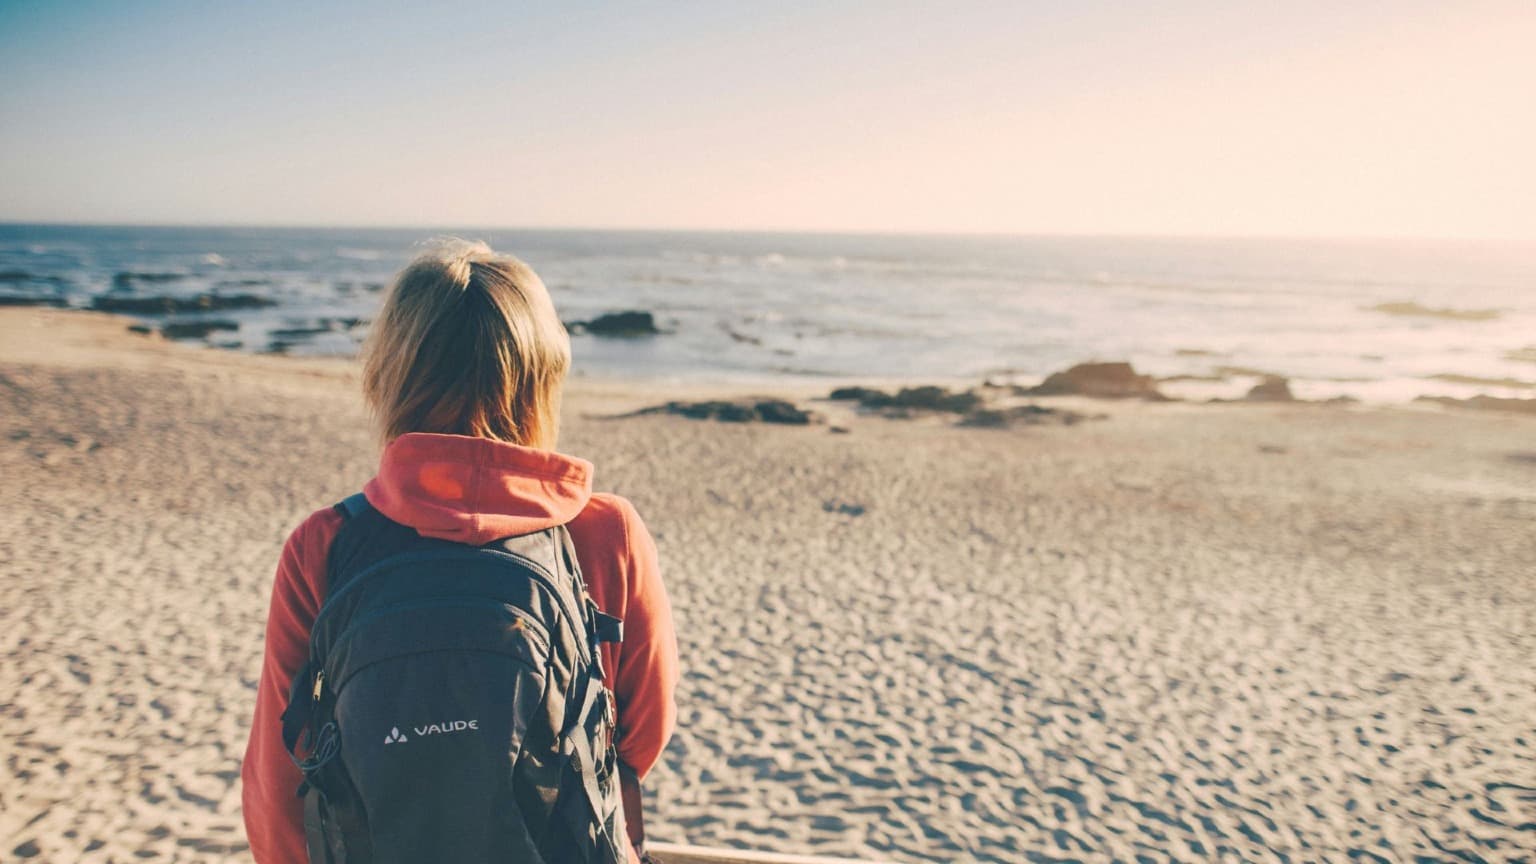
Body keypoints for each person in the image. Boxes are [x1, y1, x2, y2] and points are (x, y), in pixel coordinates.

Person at [241, 239, 679, 863]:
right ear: (542, 377)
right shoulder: (606, 533)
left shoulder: (326, 545)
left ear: (391, 375)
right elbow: (639, 739)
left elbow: (277, 785)